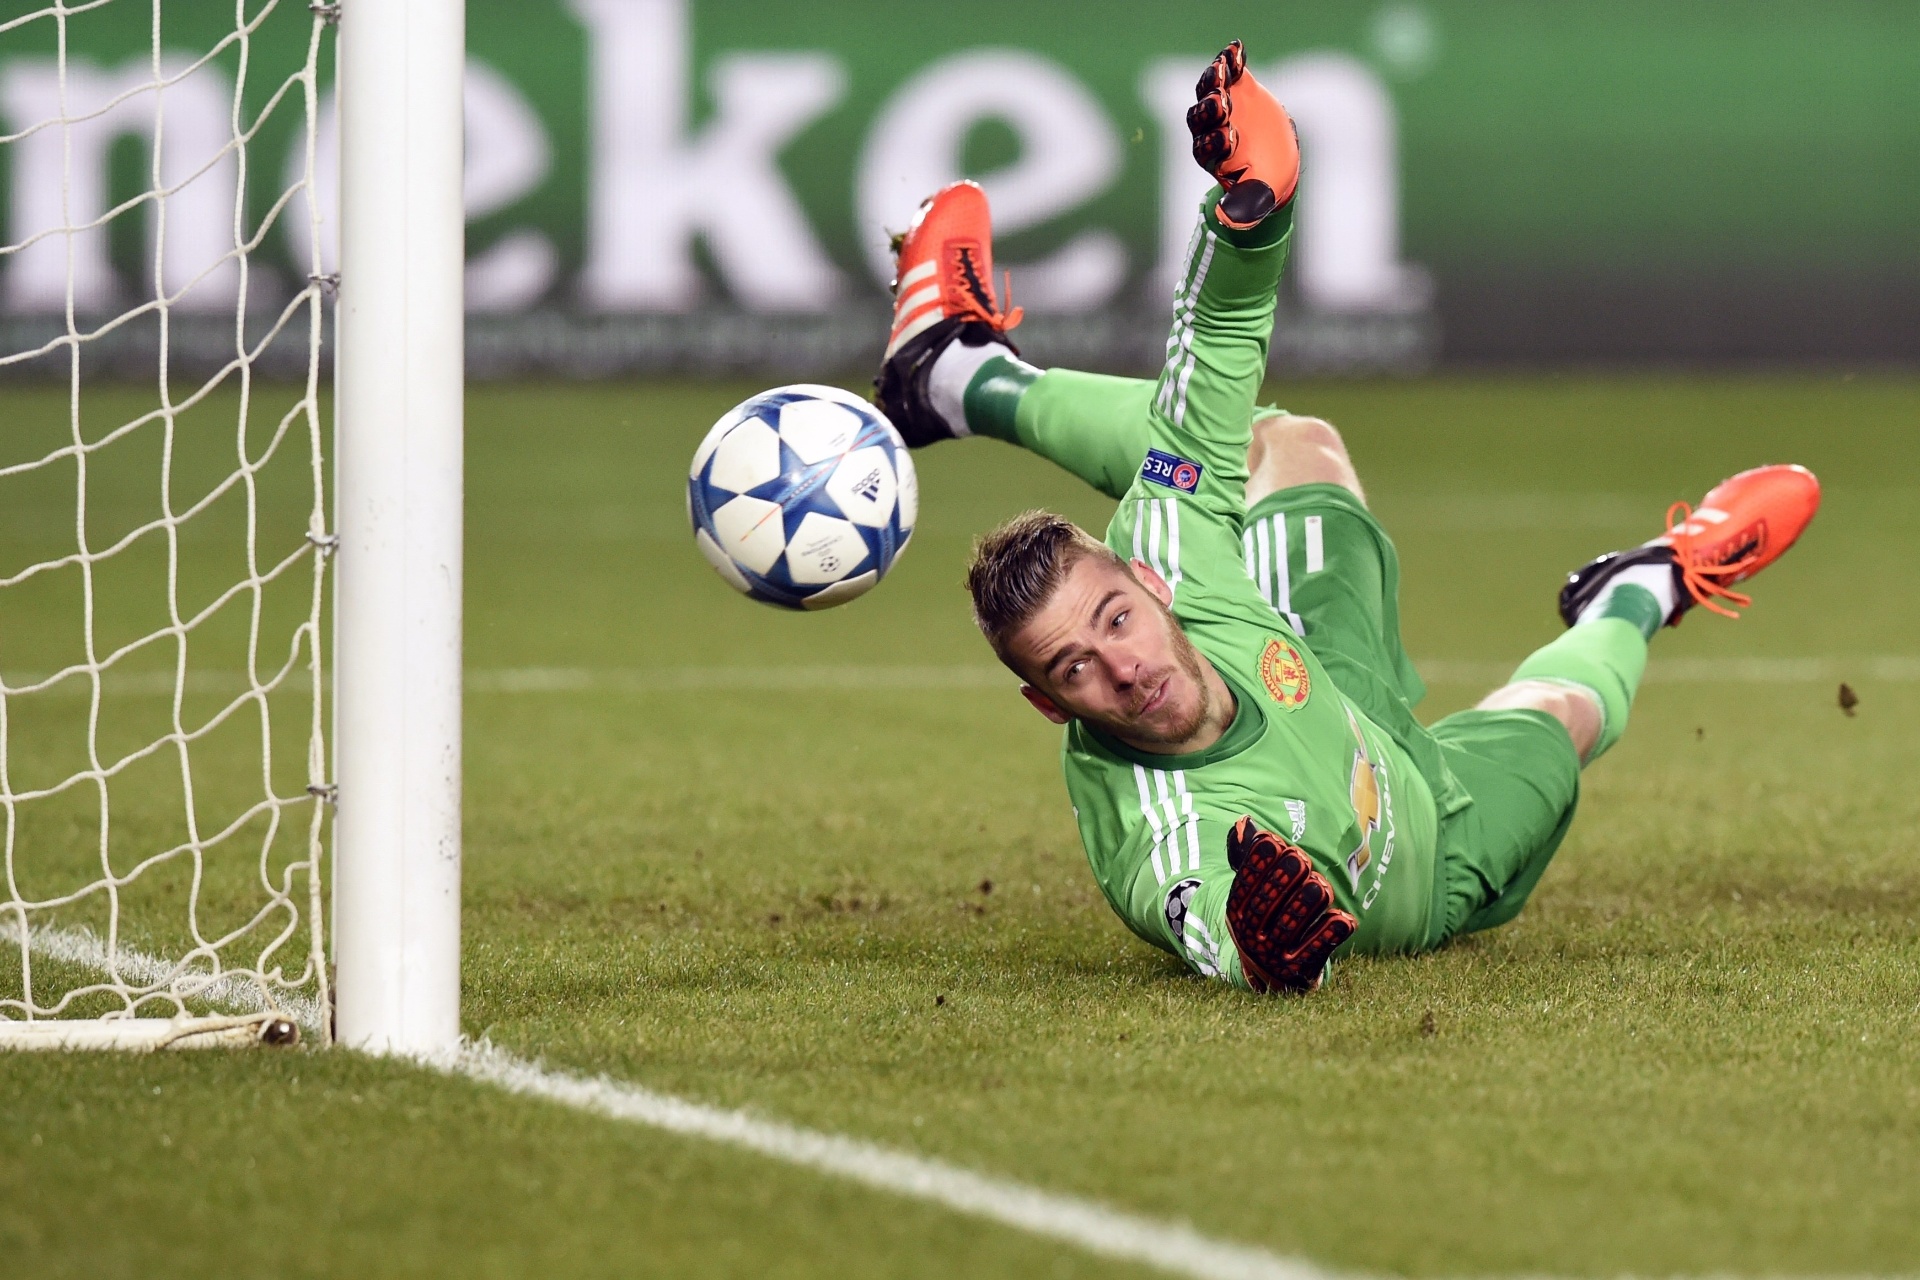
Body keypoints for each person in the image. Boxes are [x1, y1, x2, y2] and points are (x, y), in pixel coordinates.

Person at [872, 41, 1821, 993]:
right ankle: (1647, 584)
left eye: (1115, 619)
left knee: (1288, 444)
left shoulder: (1171, 547)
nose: (1121, 667)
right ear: (1047, 704)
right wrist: (1253, 943)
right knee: (1565, 711)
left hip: (1323, 679)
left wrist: (1251, 222)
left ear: (1152, 584)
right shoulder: (1157, 825)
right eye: (1072, 667)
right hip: (1438, 854)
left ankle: (952, 372)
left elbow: (1212, 367)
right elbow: (1192, 901)